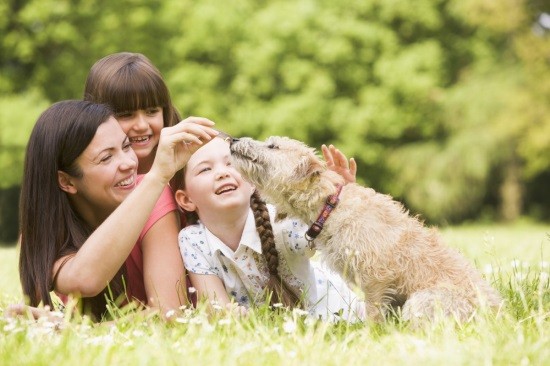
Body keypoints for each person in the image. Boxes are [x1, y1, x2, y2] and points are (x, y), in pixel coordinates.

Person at [15, 100, 218, 321]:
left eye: (126, 146)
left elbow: (169, 313)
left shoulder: (153, 194)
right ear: (66, 181)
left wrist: (158, 176)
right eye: (106, 157)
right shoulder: (42, 237)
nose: (130, 163)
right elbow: (83, 279)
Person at [174, 135, 364, 321]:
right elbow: (217, 309)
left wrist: (335, 203)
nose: (222, 173)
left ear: (251, 182)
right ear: (186, 200)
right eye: (205, 169)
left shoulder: (284, 220)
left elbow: (344, 247)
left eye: (231, 163)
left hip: (337, 314)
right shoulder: (193, 240)